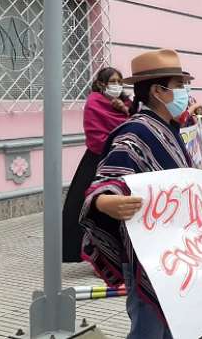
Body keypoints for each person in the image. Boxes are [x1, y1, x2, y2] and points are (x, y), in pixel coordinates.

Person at [79, 49, 194, 338]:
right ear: (158, 91)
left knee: (173, 327)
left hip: (175, 251)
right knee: (149, 329)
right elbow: (106, 181)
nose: (185, 93)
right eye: (179, 86)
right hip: (148, 257)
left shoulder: (171, 129)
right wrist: (105, 201)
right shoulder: (134, 133)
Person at [62, 67, 131, 263]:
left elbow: (134, 123)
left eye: (119, 81)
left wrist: (125, 110)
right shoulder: (94, 103)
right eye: (112, 81)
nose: (116, 85)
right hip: (97, 160)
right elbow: (95, 137)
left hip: (122, 161)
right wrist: (116, 144)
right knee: (86, 207)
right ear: (101, 84)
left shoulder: (127, 103)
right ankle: (88, 252)